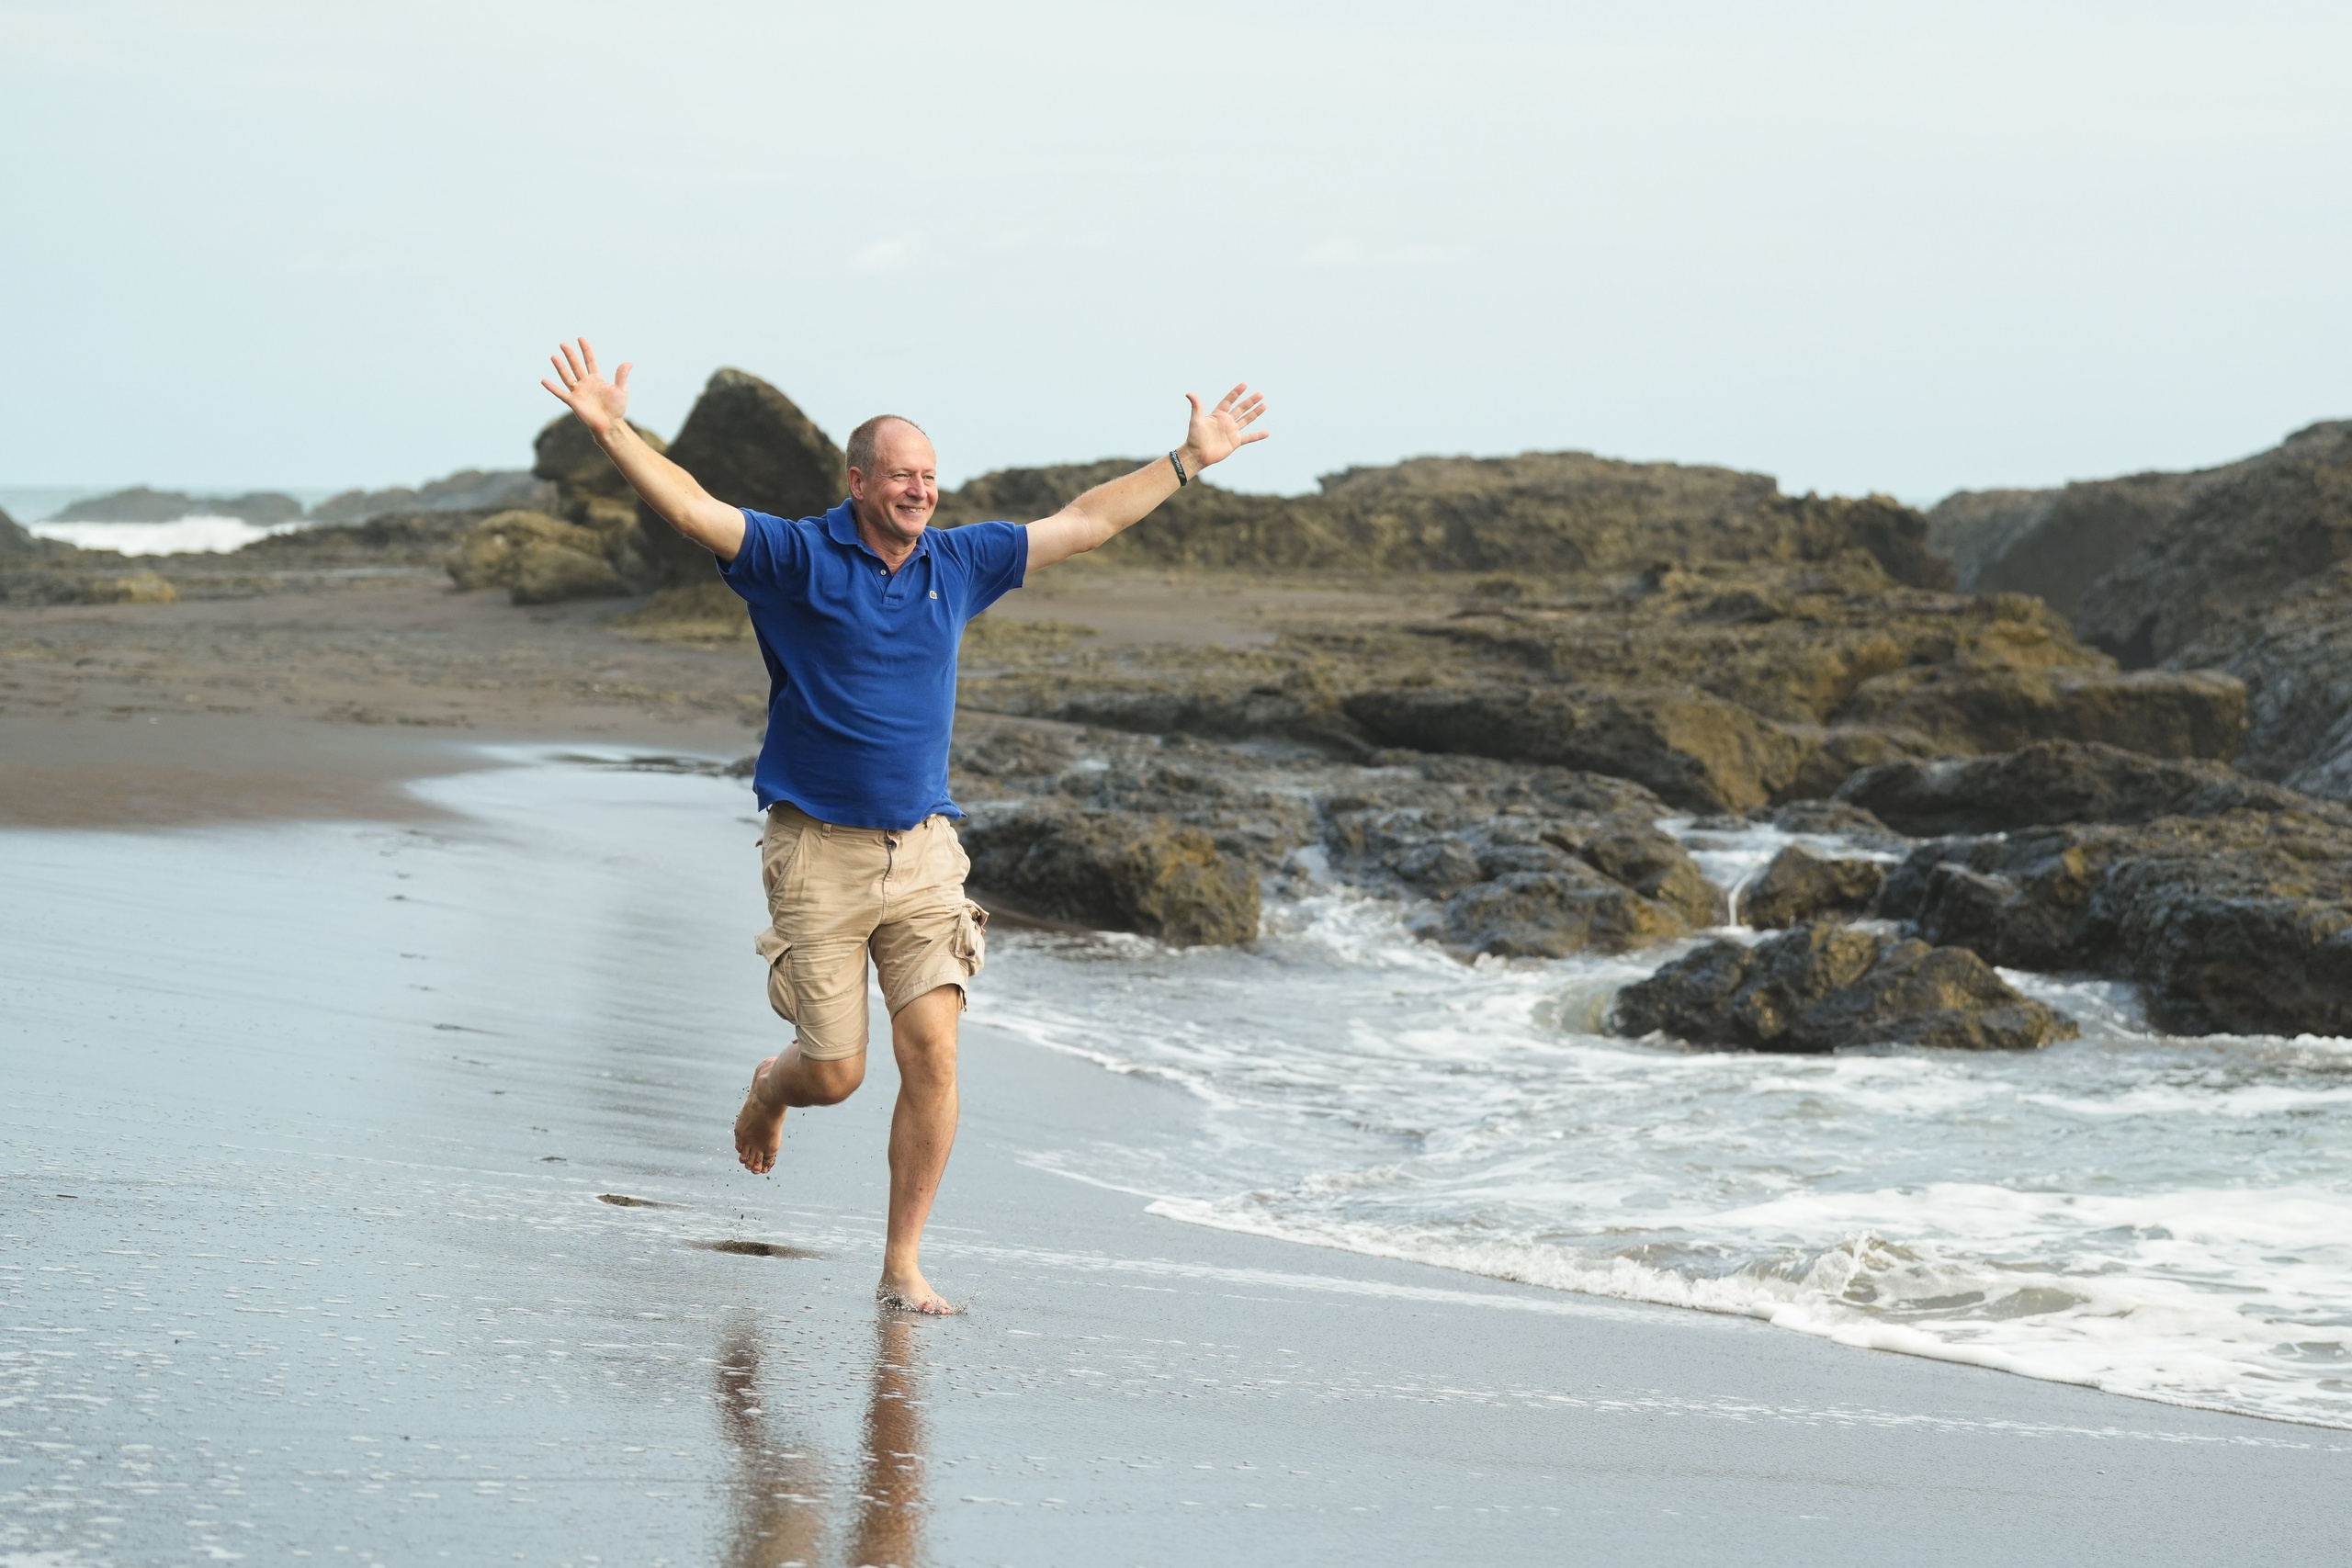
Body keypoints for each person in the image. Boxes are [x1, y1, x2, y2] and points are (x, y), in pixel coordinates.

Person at [539, 339, 1269, 1313]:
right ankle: (772, 1086)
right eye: (903, 476)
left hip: (926, 849)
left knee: (933, 1049)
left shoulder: (961, 561)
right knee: (835, 1074)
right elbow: (689, 507)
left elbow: (1084, 522)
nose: (922, 490)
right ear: (859, 481)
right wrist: (614, 431)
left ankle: (901, 1264)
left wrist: (1185, 462)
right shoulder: (798, 556)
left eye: (931, 476)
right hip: (818, 854)